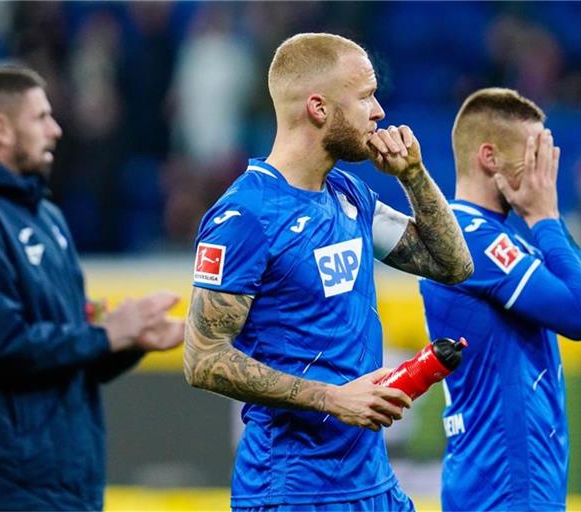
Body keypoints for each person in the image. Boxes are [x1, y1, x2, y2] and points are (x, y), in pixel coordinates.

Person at [183, 33, 473, 511]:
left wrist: (413, 175)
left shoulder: (348, 194)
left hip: (372, 482)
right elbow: (202, 358)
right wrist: (331, 399)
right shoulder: (246, 216)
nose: (379, 111)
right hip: (292, 488)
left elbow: (453, 265)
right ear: (318, 108)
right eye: (365, 97)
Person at [0, 66, 184, 511]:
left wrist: (128, 342)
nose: (55, 130)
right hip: (9, 485)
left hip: (72, 480)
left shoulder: (47, 216)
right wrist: (107, 334)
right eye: (40, 117)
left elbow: (66, 355)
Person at [418, 88, 581, 511]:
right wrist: (546, 218)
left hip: (506, 482)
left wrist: (544, 222)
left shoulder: (498, 237)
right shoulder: (471, 239)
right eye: (534, 155)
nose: (544, 173)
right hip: (504, 484)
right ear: (490, 158)